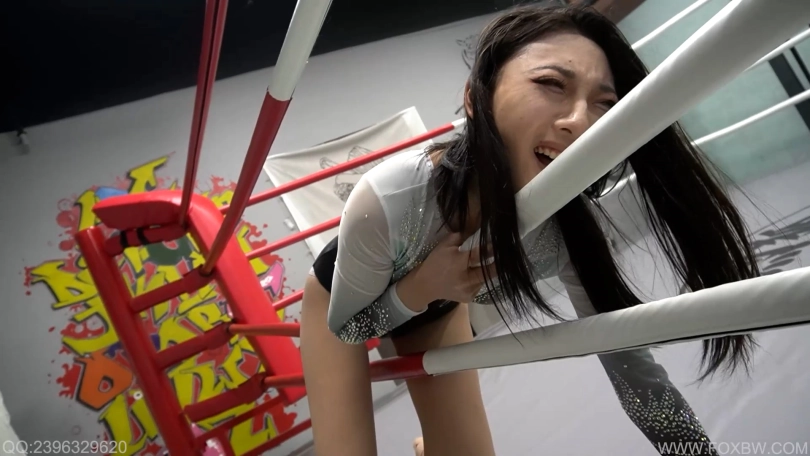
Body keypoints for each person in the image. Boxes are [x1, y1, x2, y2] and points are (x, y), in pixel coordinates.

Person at [299, 4, 760, 456]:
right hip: (343, 307)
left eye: (604, 104)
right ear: (474, 98)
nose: (580, 122)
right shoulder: (391, 196)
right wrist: (421, 286)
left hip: (438, 305)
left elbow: (633, 371)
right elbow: (354, 329)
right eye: (551, 84)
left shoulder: (567, 232)